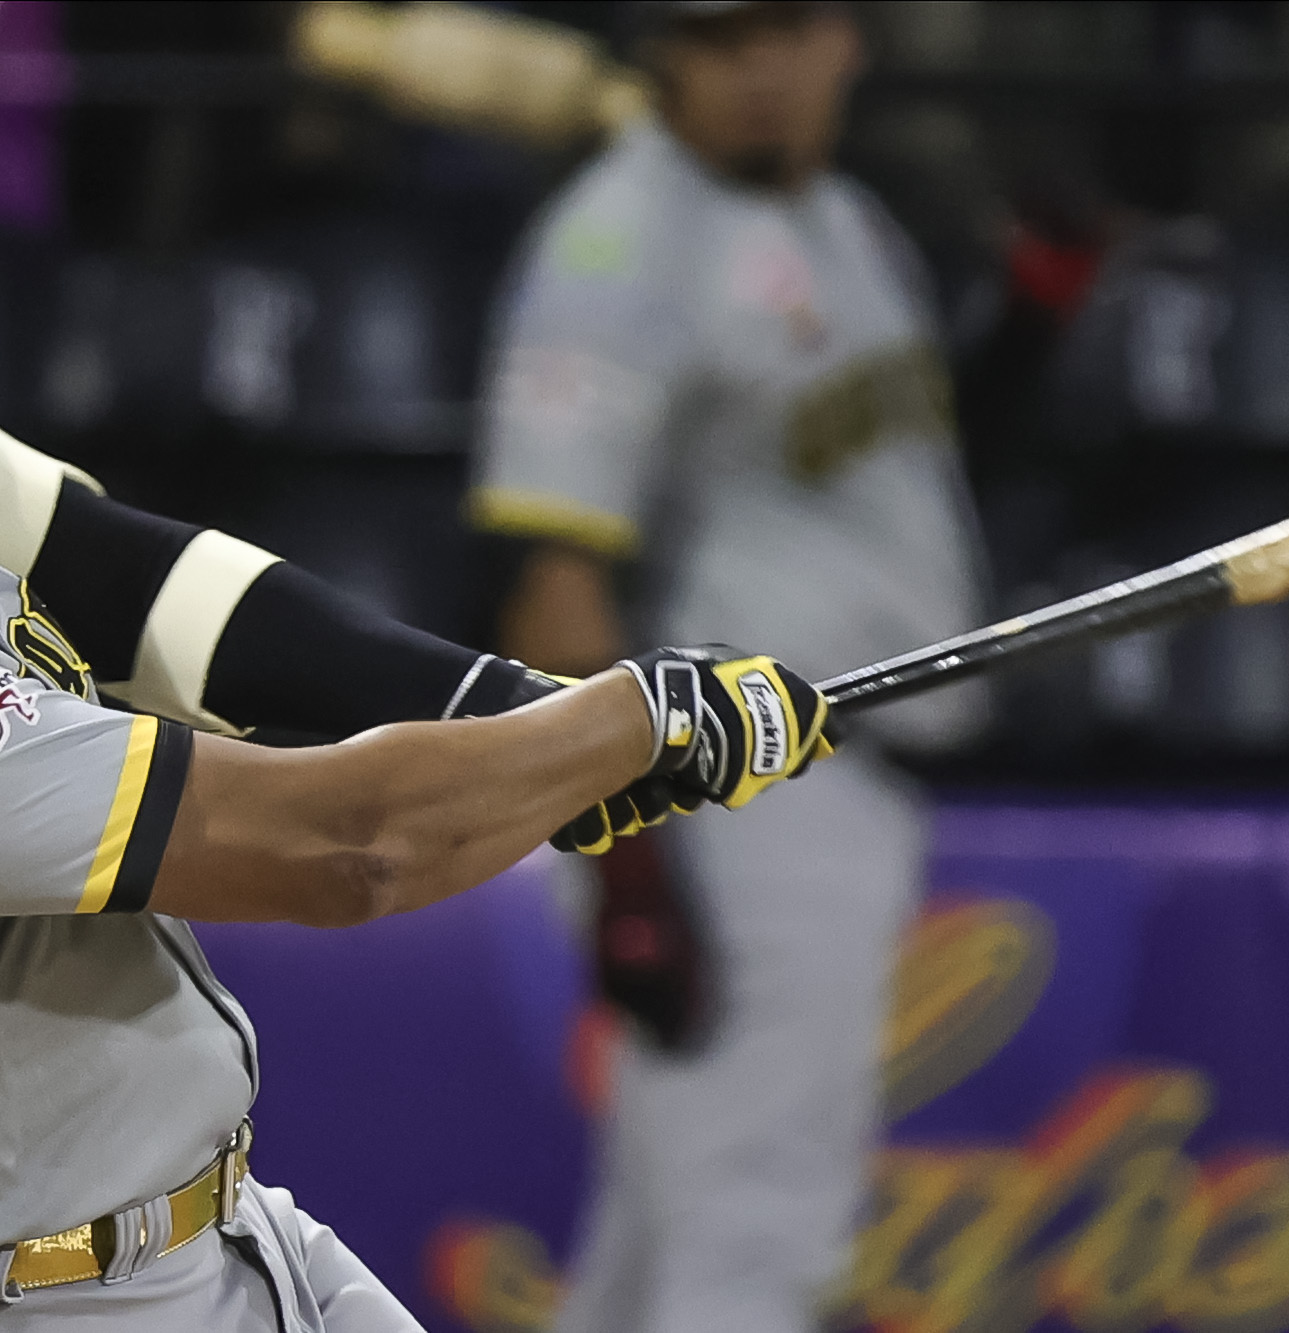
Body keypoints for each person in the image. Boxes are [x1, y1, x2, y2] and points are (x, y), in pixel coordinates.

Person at [0, 154, 830, 1332]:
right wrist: (623, 716)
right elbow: (346, 850)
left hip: (198, 1246)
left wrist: (498, 708)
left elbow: (108, 572)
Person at [469, 3, 988, 1330]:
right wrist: (632, 858)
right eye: (718, 37)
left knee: (659, 1250)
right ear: (663, 54)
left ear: (847, 40)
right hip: (732, 790)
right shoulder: (620, 239)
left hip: (819, 774)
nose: (756, 71)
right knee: (755, 1235)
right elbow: (555, 581)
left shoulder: (840, 214)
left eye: (783, 29)